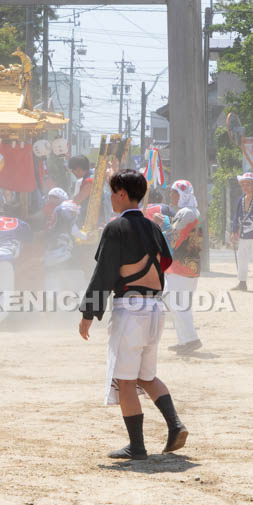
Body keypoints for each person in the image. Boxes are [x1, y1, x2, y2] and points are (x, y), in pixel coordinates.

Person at [79, 169, 187, 461]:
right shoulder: (153, 227)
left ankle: (137, 446)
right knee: (145, 376)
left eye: (113, 192)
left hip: (131, 309)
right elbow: (165, 260)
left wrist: (89, 311)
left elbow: (103, 273)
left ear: (122, 194)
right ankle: (175, 424)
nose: (110, 197)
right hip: (155, 307)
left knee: (126, 380)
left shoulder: (116, 227)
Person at [154, 180, 203, 354]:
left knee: (177, 304)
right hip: (186, 265)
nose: (172, 195)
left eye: (175, 193)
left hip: (182, 265)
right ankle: (185, 340)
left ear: (183, 195)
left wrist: (163, 224)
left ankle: (190, 339)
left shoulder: (187, 212)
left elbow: (174, 237)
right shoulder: (190, 212)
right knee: (176, 303)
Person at [0, 214, 32, 324]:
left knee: (0, 294)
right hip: (5, 260)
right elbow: (29, 240)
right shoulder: (23, 224)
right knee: (7, 298)